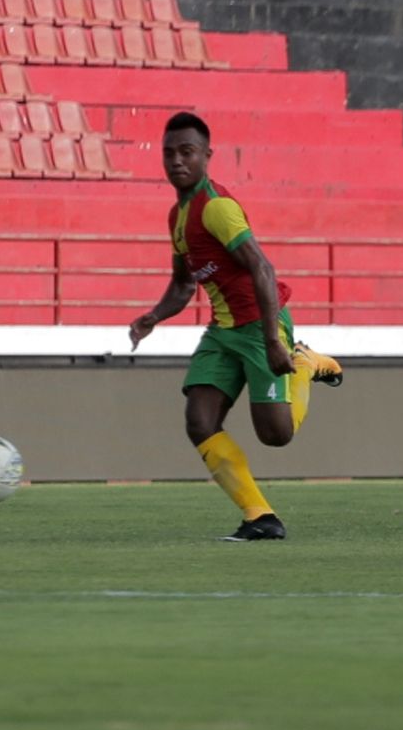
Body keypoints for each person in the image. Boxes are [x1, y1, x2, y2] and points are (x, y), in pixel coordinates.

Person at [128, 112, 343, 542]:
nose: (176, 161)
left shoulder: (217, 208)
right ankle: (259, 517)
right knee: (199, 420)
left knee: (275, 435)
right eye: (169, 153)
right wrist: (154, 316)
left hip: (259, 324)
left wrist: (272, 341)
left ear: (207, 156)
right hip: (223, 332)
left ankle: (301, 364)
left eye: (187, 152)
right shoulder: (178, 216)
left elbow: (262, 267)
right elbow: (184, 281)